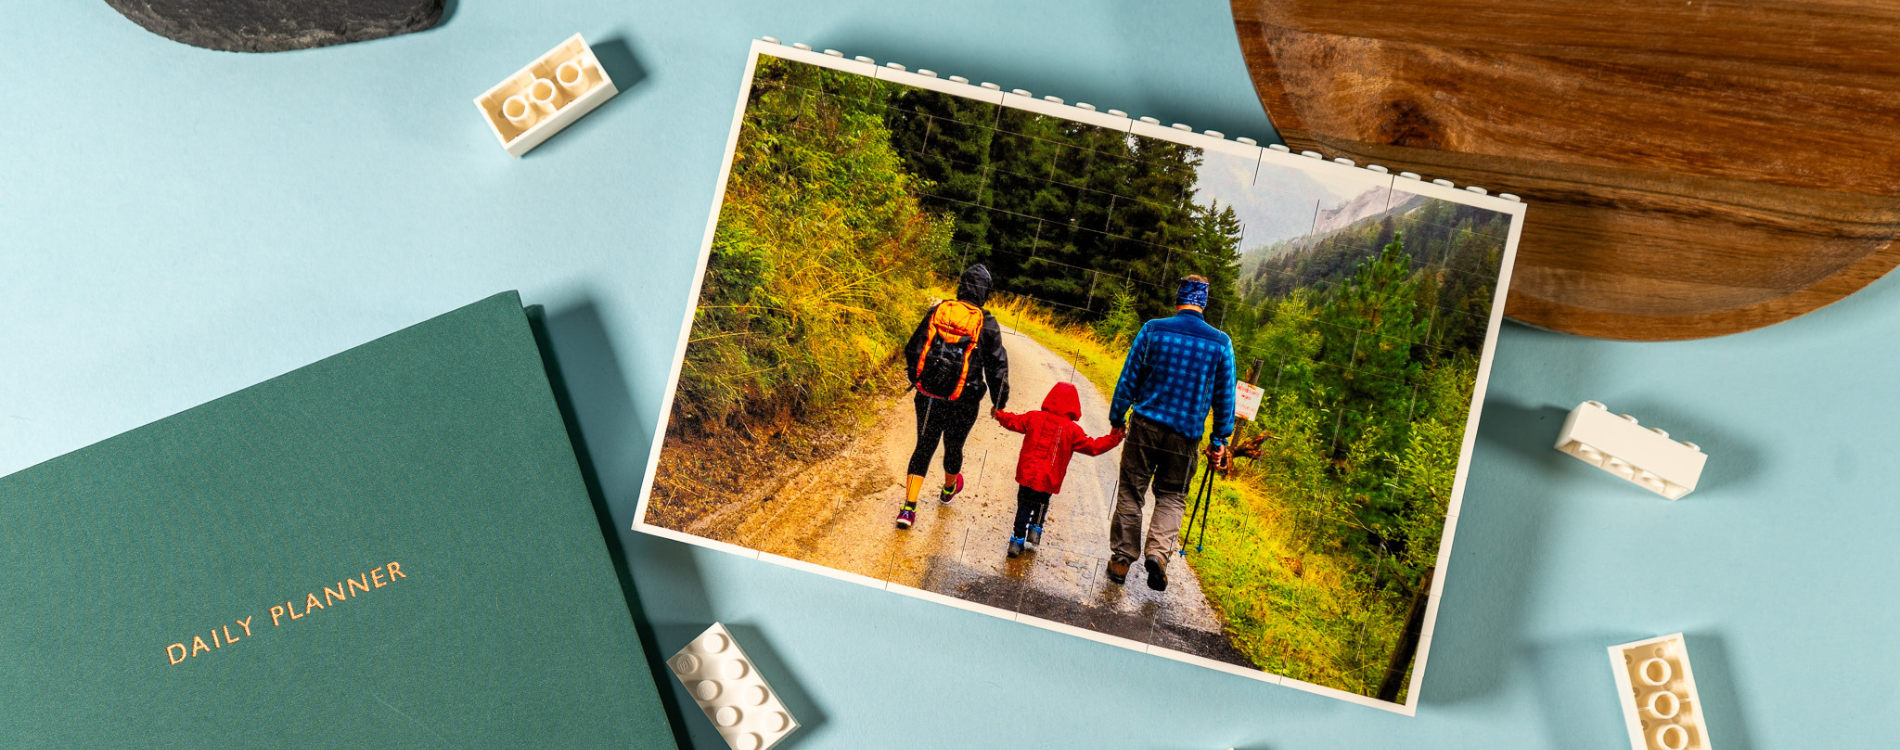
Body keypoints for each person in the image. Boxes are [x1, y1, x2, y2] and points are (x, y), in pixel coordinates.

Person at [1104, 275, 1236, 591]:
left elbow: (1129, 379)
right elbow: (1225, 397)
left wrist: (1117, 416)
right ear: (1203, 303)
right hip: (1186, 436)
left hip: (1145, 427)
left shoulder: (1153, 329)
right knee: (1172, 496)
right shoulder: (1220, 343)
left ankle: (1122, 561)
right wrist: (1220, 439)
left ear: (1178, 299)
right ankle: (1158, 556)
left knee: (1131, 491)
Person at [896, 264, 1010, 530]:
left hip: (929, 394)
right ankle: (949, 487)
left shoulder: (938, 311)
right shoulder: (987, 322)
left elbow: (914, 347)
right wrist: (999, 402)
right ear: (985, 293)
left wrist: (918, 380)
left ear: (961, 286)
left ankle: (908, 508)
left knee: (924, 446)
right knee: (953, 446)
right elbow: (997, 366)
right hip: (964, 399)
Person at [991, 382, 1124, 558]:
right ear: (1074, 406)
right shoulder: (1073, 430)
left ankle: (1016, 541)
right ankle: (1035, 529)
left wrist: (1000, 415)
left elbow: (1014, 421)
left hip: (1027, 474)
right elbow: (1093, 447)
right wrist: (1114, 438)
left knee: (1023, 506)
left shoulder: (1034, 417)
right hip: (1049, 478)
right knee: (1041, 503)